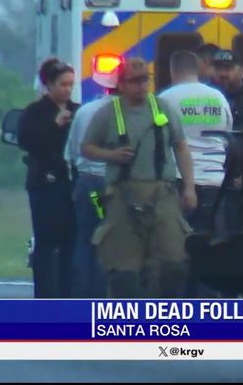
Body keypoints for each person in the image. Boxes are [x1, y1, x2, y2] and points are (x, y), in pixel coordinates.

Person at [81, 57, 197, 298]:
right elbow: (86, 148)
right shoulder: (107, 113)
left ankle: (164, 315)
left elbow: (181, 147)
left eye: (145, 80)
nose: (141, 86)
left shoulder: (164, 108)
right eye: (135, 81)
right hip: (123, 196)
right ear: (122, 84)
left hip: (163, 194)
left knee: (173, 264)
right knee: (124, 275)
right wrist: (110, 155)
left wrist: (189, 187)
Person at [17, 57, 79, 298]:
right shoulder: (34, 112)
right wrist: (54, 125)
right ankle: (44, 297)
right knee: (46, 242)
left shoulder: (78, 111)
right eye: (63, 84)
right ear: (49, 85)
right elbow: (26, 141)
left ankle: (67, 295)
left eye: (71, 84)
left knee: (71, 243)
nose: (67, 89)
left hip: (72, 184)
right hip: (44, 184)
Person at [158, 51, 233, 234]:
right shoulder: (218, 97)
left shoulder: (165, 99)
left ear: (173, 71)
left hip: (179, 180)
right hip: (216, 180)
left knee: (178, 238)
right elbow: (228, 134)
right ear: (196, 70)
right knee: (210, 239)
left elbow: (159, 139)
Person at [64, 72, 117, 298]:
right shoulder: (128, 113)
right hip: (113, 186)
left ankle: (82, 296)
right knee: (110, 240)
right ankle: (103, 295)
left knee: (86, 240)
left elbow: (70, 153)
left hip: (87, 183)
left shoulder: (85, 111)